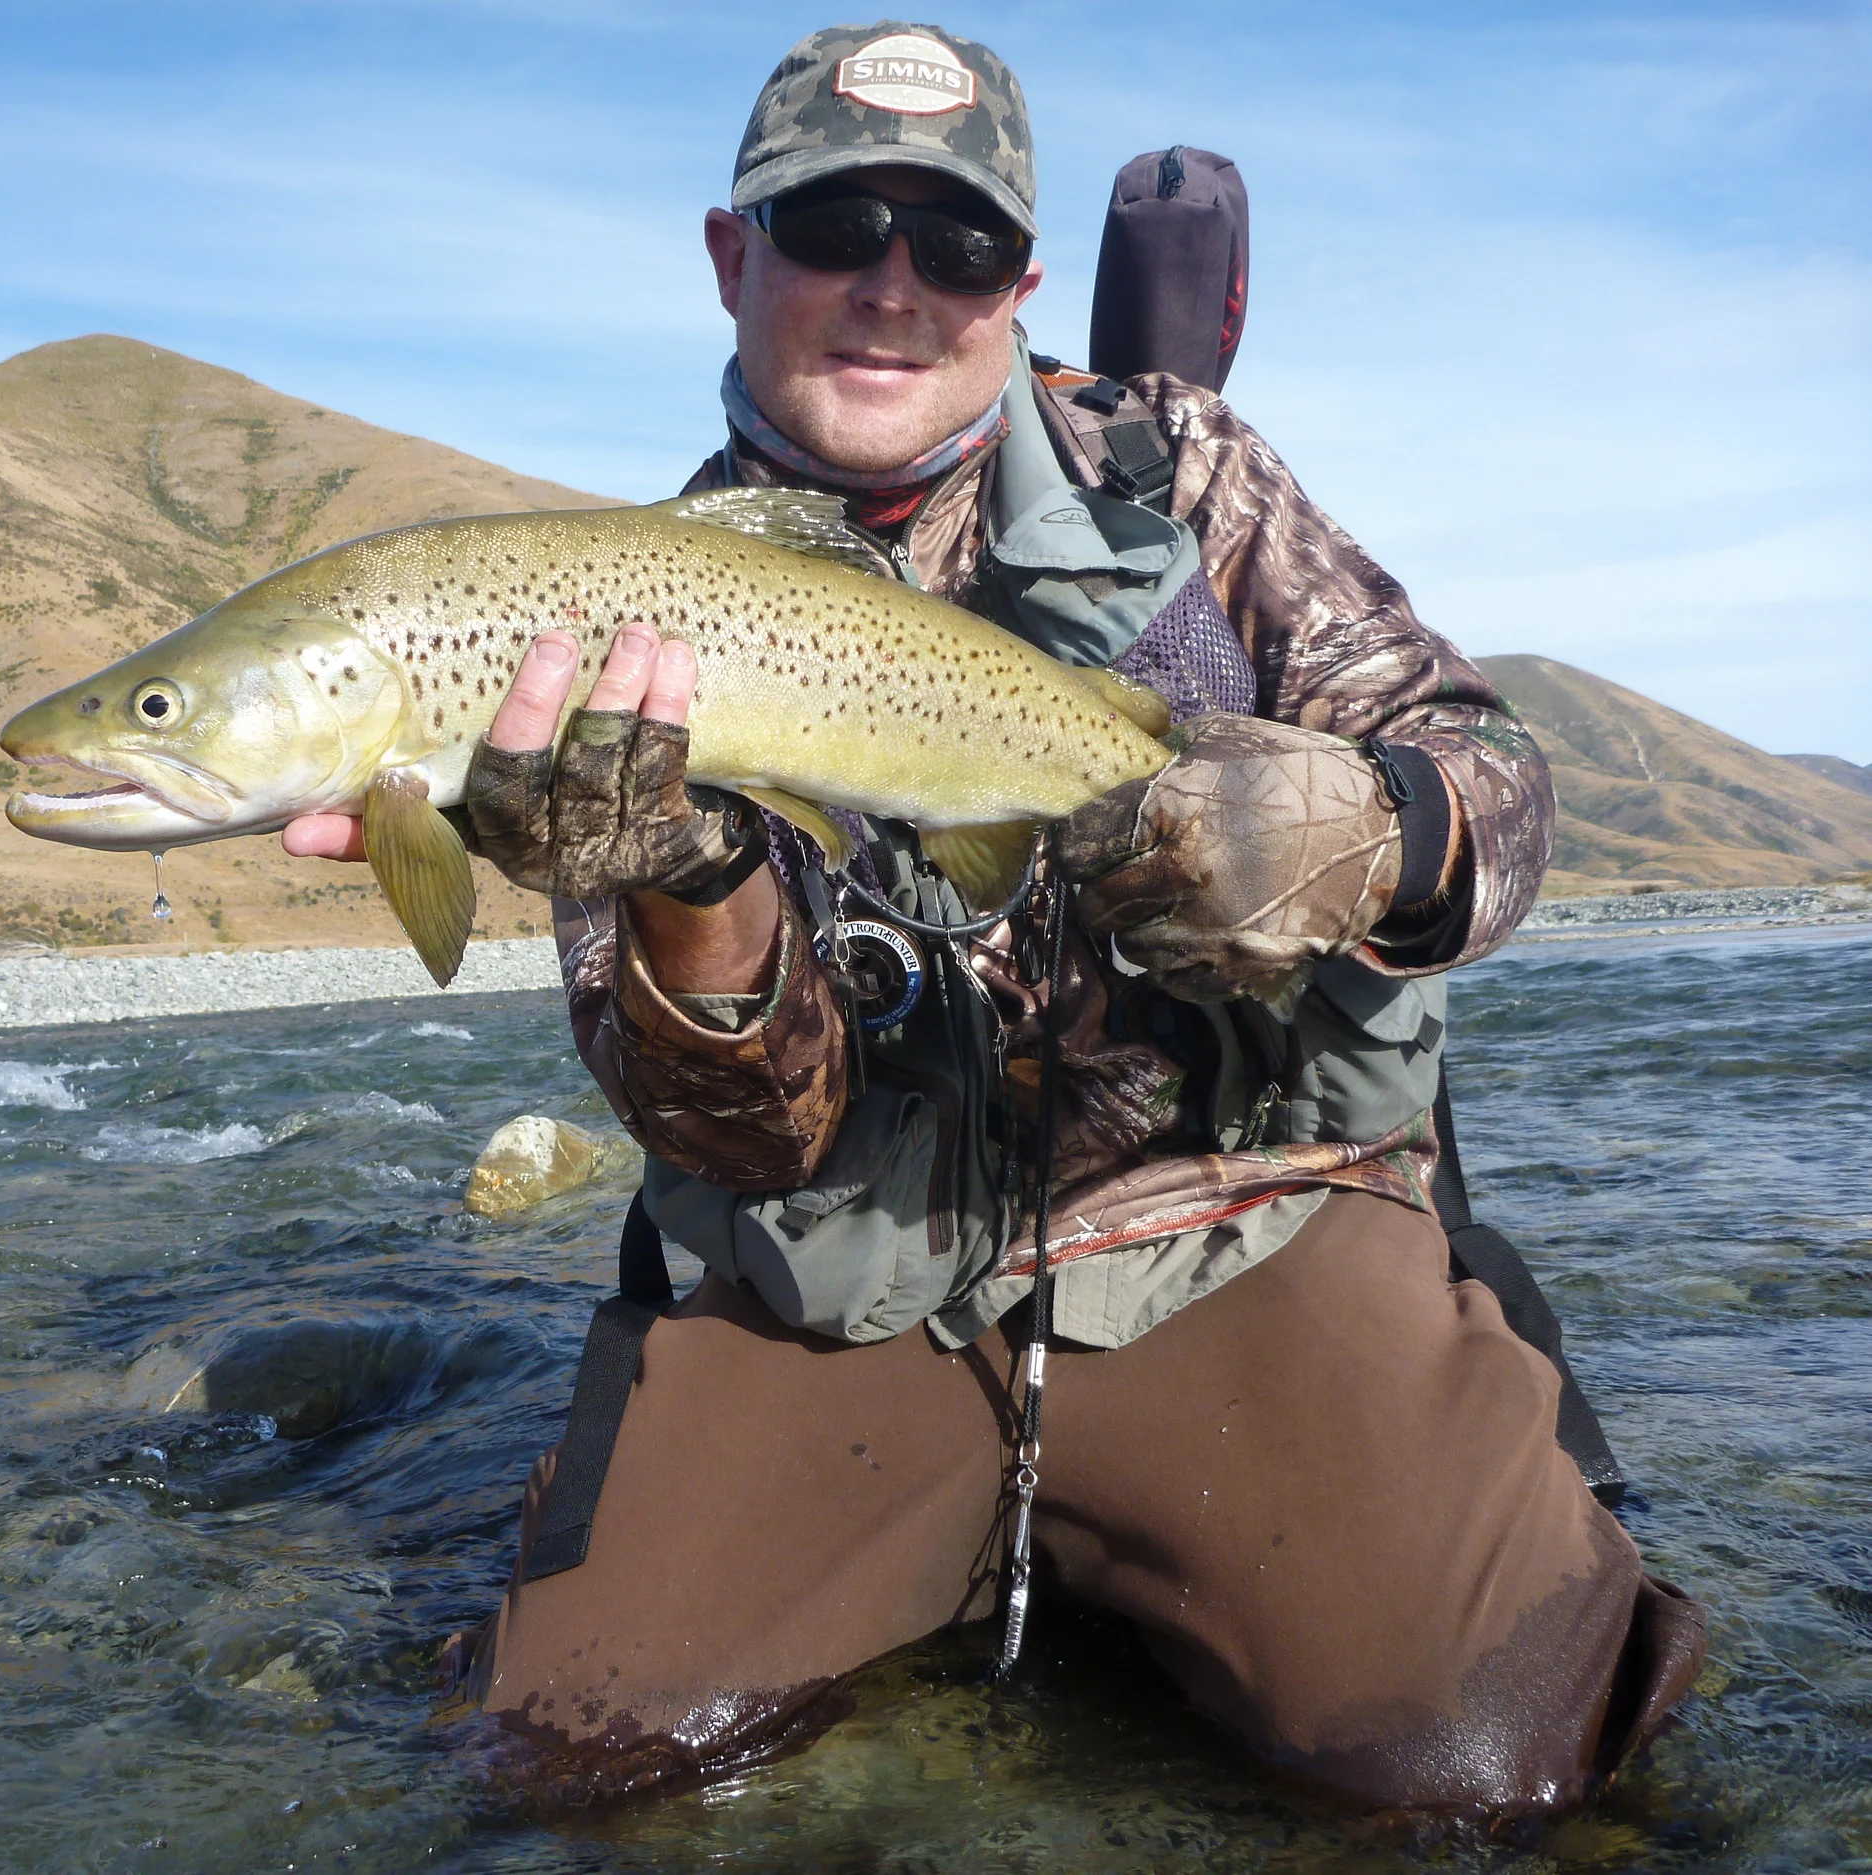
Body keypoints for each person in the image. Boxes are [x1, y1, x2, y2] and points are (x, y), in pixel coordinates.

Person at [287, 19, 1704, 1813]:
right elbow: (736, 1137)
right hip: (854, 1289)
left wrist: (1367, 828)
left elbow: (1495, 777)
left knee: (1492, 1773)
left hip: (1241, 1224)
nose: (894, 285)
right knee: (571, 1768)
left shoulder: (1185, 472)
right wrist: (695, 886)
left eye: (956, 243)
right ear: (731, 257)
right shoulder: (611, 629)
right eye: (833, 225)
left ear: (1020, 288)